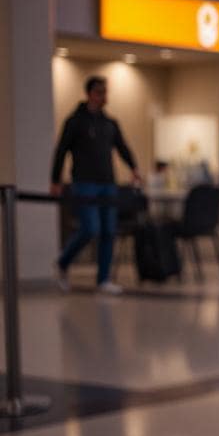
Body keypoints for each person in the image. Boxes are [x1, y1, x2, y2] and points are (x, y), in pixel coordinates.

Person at [50, 75, 142, 294]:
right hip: (84, 183)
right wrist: (55, 180)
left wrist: (134, 168)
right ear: (90, 93)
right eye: (100, 92)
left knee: (108, 231)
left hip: (107, 184)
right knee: (90, 228)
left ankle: (103, 279)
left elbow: (122, 147)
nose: (104, 97)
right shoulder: (75, 122)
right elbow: (61, 151)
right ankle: (63, 262)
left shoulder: (109, 123)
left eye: (105, 92)